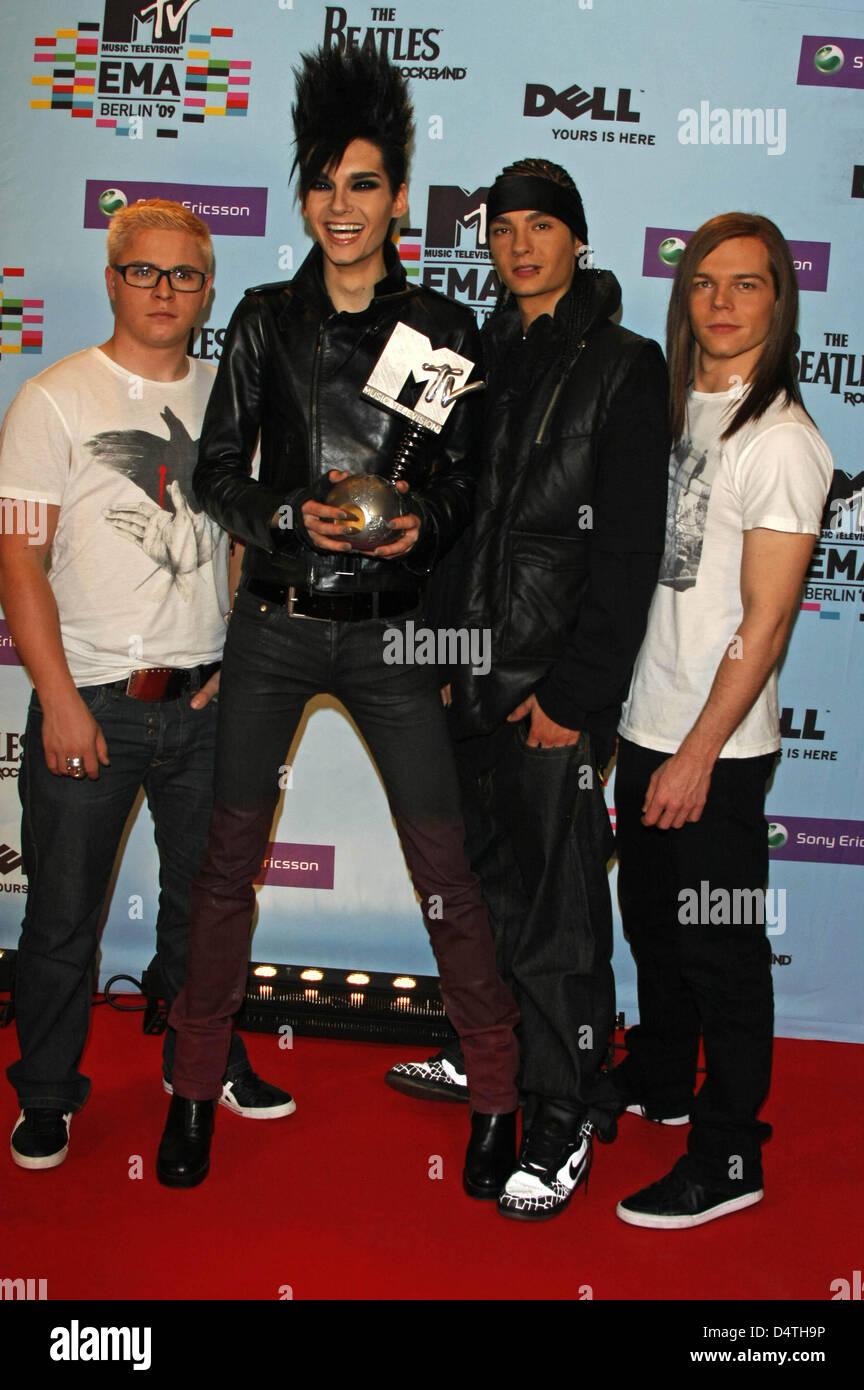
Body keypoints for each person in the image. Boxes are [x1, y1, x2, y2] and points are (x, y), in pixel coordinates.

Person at [158, 48, 519, 1191]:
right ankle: (192, 1089)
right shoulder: (265, 319)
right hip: (271, 624)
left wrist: (421, 524)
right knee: (225, 870)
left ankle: (497, 1097)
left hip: (392, 634)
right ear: (302, 195)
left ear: (398, 196)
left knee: (442, 868)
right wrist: (281, 514)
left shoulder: (443, 326)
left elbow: (461, 485)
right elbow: (216, 470)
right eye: (322, 184)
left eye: (363, 184)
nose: (341, 206)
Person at [386, 158, 670, 1221]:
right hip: (451, 674)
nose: (517, 243)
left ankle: (565, 1106)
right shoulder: (463, 352)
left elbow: (626, 550)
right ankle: (494, 1057)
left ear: (578, 240)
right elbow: (411, 485)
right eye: (501, 226)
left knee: (557, 917)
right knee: (481, 892)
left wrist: (576, 695)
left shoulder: (624, 365)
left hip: (547, 689)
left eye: (540, 225)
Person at [0, 200, 293, 1172]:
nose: (165, 291)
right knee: (62, 917)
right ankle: (45, 1093)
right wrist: (63, 698)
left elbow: (253, 543)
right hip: (91, 702)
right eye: (145, 272)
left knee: (208, 907)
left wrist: (237, 669)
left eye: (186, 276)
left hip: (209, 706)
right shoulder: (52, 400)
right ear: (111, 278)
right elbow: (19, 566)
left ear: (208, 289)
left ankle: (203, 1061)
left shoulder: (229, 399)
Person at [612, 213, 833, 1228]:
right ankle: (660, 1078)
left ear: (777, 301)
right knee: (653, 931)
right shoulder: (673, 406)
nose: (721, 302)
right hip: (641, 721)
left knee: (722, 953)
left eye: (745, 285)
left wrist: (699, 752)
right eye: (704, 282)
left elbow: (766, 618)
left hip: (716, 748)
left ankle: (729, 1152)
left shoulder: (780, 439)